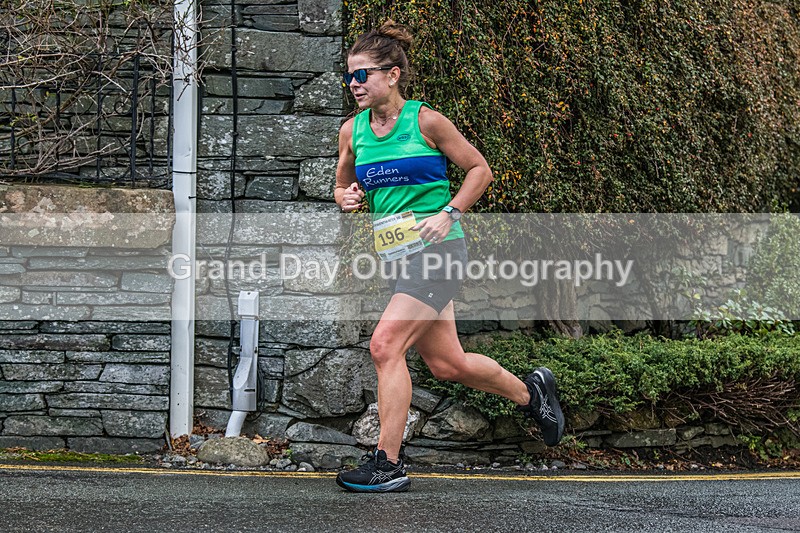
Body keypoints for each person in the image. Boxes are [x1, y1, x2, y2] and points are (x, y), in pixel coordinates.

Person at [334, 20, 564, 493]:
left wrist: (450, 212)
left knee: (385, 346)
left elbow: (480, 168)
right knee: (447, 364)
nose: (355, 85)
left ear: (393, 75)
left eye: (364, 75)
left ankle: (388, 463)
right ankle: (532, 394)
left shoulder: (426, 121)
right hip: (398, 257)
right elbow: (341, 184)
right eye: (350, 77)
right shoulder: (352, 131)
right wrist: (346, 196)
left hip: (439, 252)